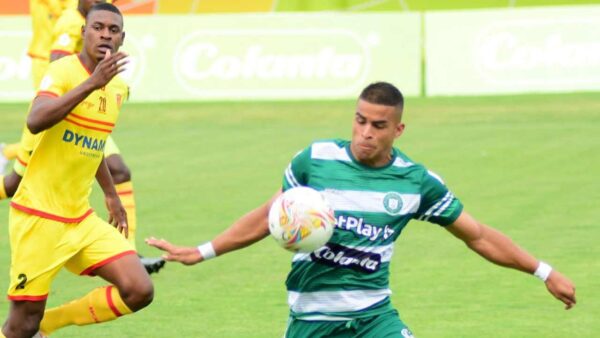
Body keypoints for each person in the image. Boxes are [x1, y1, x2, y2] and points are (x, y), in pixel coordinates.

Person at [147, 82, 577, 337]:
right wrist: (201, 251)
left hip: (374, 318)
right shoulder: (314, 160)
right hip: (311, 318)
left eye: (378, 125)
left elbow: (478, 236)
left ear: (398, 129)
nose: (365, 133)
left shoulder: (416, 182)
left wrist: (543, 271)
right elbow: (269, 215)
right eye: (359, 120)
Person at [1, 4, 153, 338]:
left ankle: (50, 323)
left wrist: (111, 195)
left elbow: (93, 141)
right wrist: (91, 83)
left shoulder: (116, 88)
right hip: (38, 217)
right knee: (20, 324)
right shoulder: (63, 71)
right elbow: (36, 119)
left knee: (139, 289)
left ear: (122, 38)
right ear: (83, 32)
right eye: (97, 27)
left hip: (79, 218)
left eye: (113, 30)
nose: (105, 35)